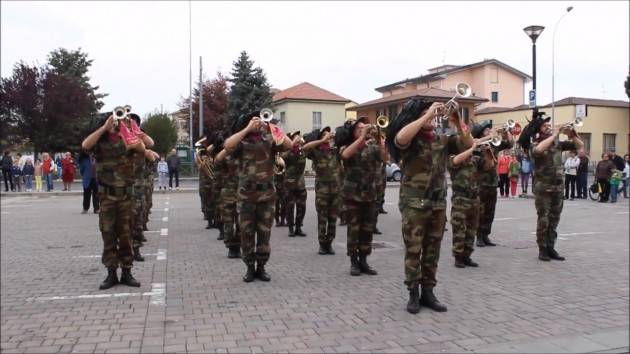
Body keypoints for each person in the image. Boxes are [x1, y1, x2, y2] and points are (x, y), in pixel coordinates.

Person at [387, 98, 473, 314]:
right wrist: (426, 115)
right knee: (414, 250)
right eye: (425, 113)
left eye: (432, 113)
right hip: (414, 202)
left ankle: (428, 291)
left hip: (437, 202)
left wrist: (457, 120)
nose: (433, 116)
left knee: (433, 250)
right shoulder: (411, 138)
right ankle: (413, 293)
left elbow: (468, 143)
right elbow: (399, 138)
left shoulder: (441, 139)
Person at [223, 111, 293, 283]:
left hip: (267, 195)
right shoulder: (242, 142)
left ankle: (261, 267)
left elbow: (289, 145)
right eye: (255, 120)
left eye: (259, 120)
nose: (258, 123)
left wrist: (271, 126)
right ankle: (249, 267)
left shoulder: (269, 140)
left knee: (264, 234)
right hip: (246, 195)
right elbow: (227, 146)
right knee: (246, 234)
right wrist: (247, 129)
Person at [81, 114, 145, 290]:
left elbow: (142, 147)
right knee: (108, 234)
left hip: (125, 197)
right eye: (112, 120)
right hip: (107, 197)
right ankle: (111, 273)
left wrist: (128, 129)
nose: (115, 123)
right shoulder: (99, 143)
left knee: (126, 236)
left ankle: (126, 272)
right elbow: (85, 145)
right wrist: (103, 128)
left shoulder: (127, 139)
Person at [523, 113, 583, 261]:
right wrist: (555, 134)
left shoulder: (557, 143)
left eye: (549, 125)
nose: (549, 127)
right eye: (545, 125)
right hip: (543, 188)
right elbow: (538, 151)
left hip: (558, 187)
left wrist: (572, 134)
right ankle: (542, 249)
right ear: (538, 129)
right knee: (544, 220)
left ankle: (551, 247)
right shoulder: (534, 143)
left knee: (554, 219)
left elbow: (579, 146)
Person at [448, 138, 485, 269]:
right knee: (459, 229)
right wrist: (472, 147)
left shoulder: (474, 159)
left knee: (472, 229)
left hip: (474, 199)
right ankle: (458, 256)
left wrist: (489, 151)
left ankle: (467, 255)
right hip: (460, 199)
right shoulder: (453, 158)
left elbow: (490, 165)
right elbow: (456, 161)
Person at [475, 121, 514, 247]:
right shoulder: (478, 144)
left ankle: (486, 234)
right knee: (480, 210)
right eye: (487, 130)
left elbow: (510, 143)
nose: (490, 132)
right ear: (482, 132)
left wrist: (506, 131)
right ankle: (479, 235)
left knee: (490, 211)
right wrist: (488, 137)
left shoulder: (494, 144)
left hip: (492, 182)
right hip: (481, 182)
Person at [304, 126, 341, 255]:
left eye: (328, 134)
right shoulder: (316, 151)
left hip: (336, 190)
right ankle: (321, 244)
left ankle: (329, 243)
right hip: (322, 191)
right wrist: (321, 141)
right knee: (322, 219)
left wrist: (335, 137)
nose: (327, 136)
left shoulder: (335, 151)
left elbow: (345, 143)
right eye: (324, 134)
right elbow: (305, 148)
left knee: (332, 219)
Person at [214, 131, 242, 259]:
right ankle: (231, 247)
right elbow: (217, 160)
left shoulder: (243, 153)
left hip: (242, 193)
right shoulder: (226, 154)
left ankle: (239, 245)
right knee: (229, 222)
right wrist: (228, 147)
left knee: (242, 223)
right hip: (228, 193)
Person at [283, 131, 308, 237]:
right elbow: (284, 157)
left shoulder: (302, 151)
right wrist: (292, 144)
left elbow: (309, 148)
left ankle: (298, 227)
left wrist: (300, 146)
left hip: (301, 183)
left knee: (302, 206)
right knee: (290, 206)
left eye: (299, 137)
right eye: (295, 137)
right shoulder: (286, 151)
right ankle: (291, 228)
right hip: (289, 184)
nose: (298, 139)